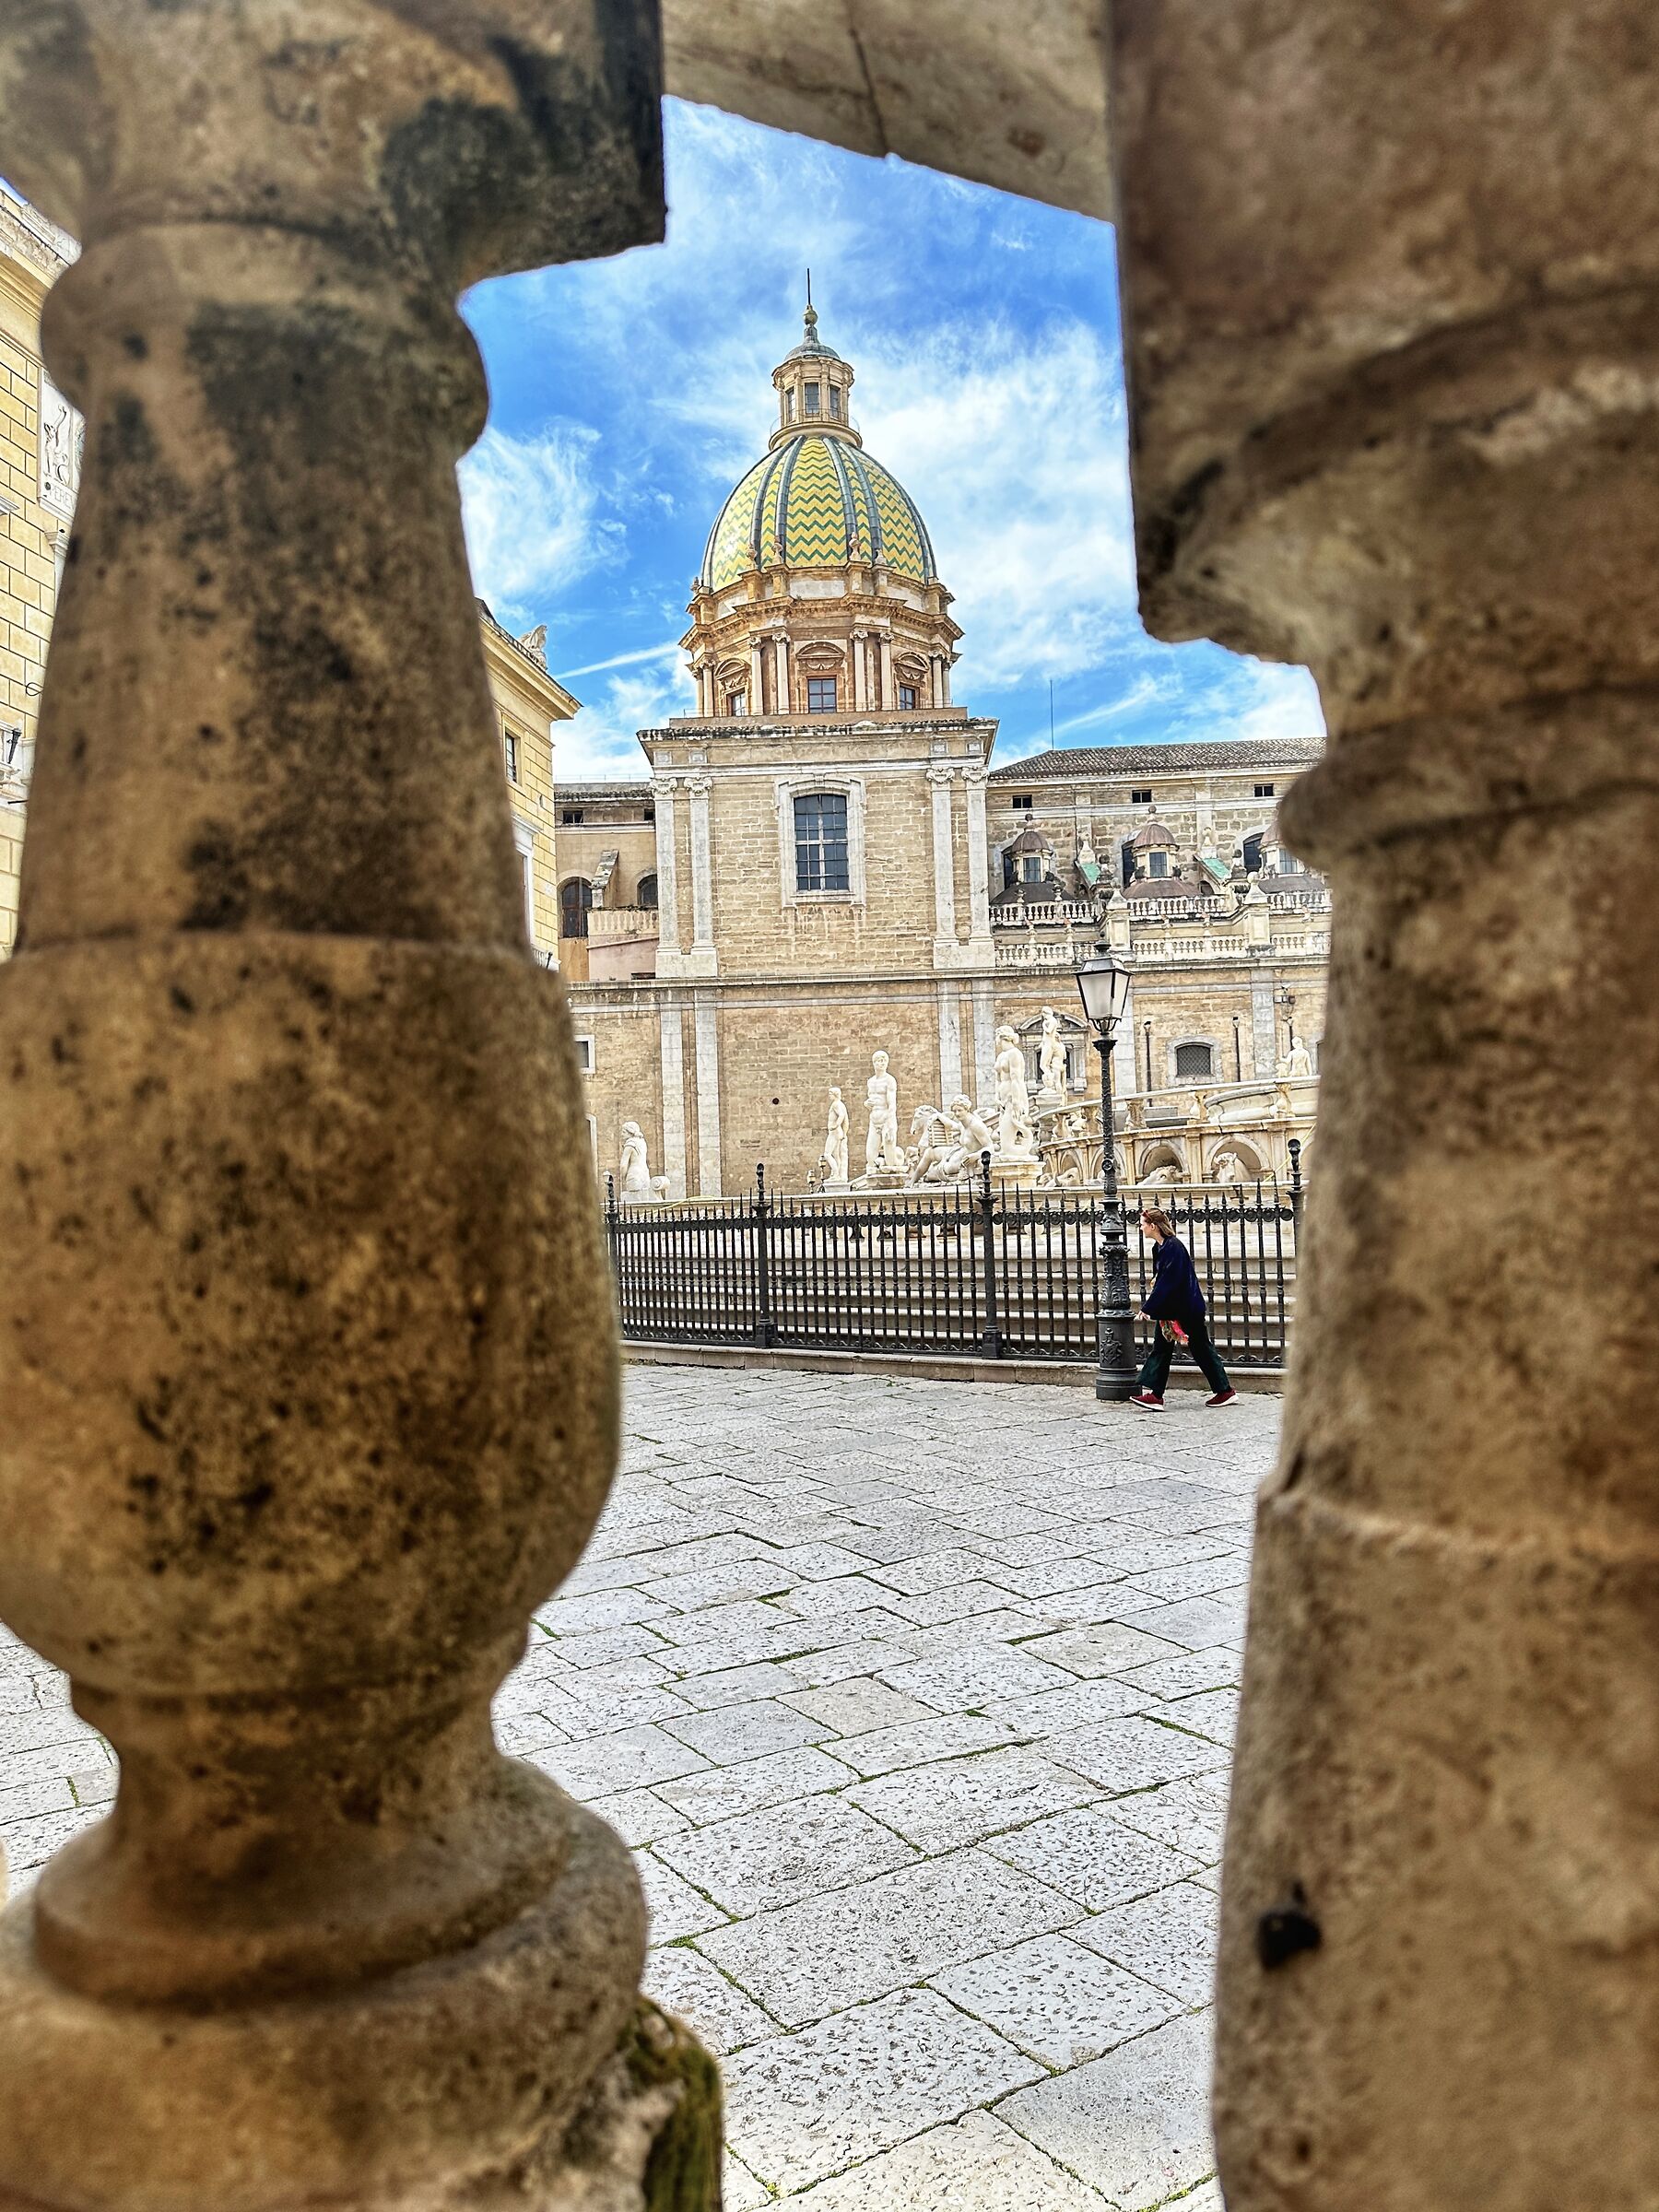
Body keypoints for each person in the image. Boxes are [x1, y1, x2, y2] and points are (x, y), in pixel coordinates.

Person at [1130, 1206, 1237, 1407]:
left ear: (1153, 1226)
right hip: (1171, 1308)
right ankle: (1156, 1395)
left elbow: (1169, 1281)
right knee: (1162, 1348)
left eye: (1142, 1224)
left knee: (1200, 1348)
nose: (1140, 1227)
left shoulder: (1173, 1247)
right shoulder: (1159, 1248)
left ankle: (1225, 1391)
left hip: (1186, 1308)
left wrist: (1149, 1307)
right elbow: (1161, 1278)